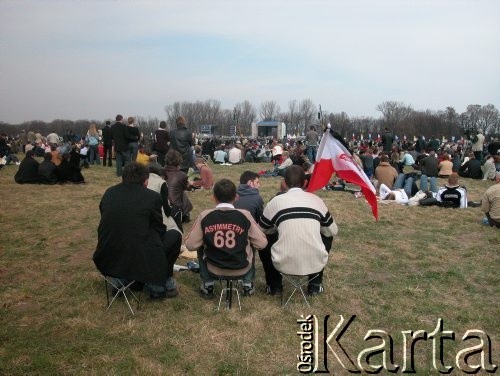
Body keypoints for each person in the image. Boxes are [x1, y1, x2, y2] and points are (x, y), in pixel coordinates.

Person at [93, 162, 182, 299]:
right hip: (138, 259)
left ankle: (122, 280)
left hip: (107, 257)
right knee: (174, 236)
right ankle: (159, 283)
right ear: (145, 181)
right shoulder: (152, 197)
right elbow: (158, 230)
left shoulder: (109, 193)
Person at [259, 165, 338, 296]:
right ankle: (315, 284)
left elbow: (261, 229)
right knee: (327, 234)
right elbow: (332, 230)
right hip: (314, 262)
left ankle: (274, 286)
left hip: (282, 261)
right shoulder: (317, 200)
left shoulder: (275, 202)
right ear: (305, 182)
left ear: (284, 182)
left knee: (264, 238)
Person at [185, 179, 267, 298]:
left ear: (213, 197)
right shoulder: (245, 215)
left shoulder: (205, 215)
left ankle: (208, 284)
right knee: (252, 243)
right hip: (241, 267)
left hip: (213, 267)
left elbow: (190, 245)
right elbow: (262, 243)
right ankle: (247, 284)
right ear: (236, 197)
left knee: (200, 245)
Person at [164, 149, 193, 223]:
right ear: (179, 161)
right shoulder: (181, 175)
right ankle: (185, 215)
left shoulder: (160, 171)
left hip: (162, 206)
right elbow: (186, 187)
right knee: (182, 193)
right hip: (175, 208)